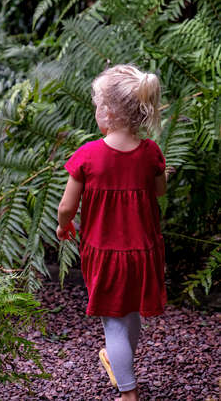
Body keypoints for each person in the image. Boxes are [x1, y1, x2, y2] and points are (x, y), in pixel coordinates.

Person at [56, 64, 171, 401]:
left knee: (114, 325)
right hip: (144, 251)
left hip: (105, 253)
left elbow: (66, 207)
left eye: (96, 106)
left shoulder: (88, 156)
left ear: (106, 111)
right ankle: (121, 365)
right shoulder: (150, 152)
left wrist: (65, 227)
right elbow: (159, 190)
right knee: (131, 313)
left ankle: (128, 393)